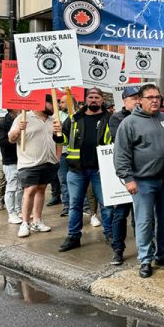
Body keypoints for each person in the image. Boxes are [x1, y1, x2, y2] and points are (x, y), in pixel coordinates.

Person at [114, 84, 164, 278]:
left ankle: (163, 254)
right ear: (141, 100)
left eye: (158, 97)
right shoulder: (129, 123)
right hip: (142, 181)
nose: (155, 100)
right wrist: (127, 178)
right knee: (144, 221)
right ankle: (145, 260)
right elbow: (121, 154)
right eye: (150, 97)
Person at [56, 88, 113, 252]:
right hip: (76, 170)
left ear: (102, 100)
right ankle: (74, 237)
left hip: (100, 170)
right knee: (75, 205)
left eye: (97, 97)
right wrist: (57, 133)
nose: (93, 100)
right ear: (85, 100)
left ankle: (110, 234)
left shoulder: (110, 119)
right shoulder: (74, 119)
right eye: (90, 97)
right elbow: (64, 140)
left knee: (106, 204)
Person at [8, 96, 62, 237]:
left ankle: (37, 221)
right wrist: (18, 130)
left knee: (41, 190)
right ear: (41, 103)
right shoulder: (23, 117)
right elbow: (11, 139)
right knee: (30, 190)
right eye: (51, 103)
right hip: (28, 162)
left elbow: (60, 141)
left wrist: (57, 157)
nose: (54, 107)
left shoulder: (53, 120)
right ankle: (25, 223)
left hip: (49, 162)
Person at [105, 86, 140, 266]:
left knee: (140, 215)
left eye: (138, 97)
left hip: (142, 172)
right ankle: (118, 250)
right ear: (125, 100)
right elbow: (125, 140)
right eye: (133, 98)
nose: (137, 101)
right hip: (125, 172)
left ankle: (143, 249)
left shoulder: (146, 116)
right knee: (120, 214)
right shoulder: (117, 118)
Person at [0, 109, 22, 225]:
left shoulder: (22, 119)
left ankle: (19, 210)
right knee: (11, 187)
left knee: (20, 187)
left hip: (22, 159)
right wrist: (15, 139)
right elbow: (1, 142)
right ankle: (11, 213)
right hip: (10, 160)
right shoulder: (2, 123)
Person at [56, 95, 72, 217]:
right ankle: (67, 206)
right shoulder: (57, 116)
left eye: (62, 102)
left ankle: (85, 206)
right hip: (62, 153)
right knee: (63, 181)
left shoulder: (78, 115)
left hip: (75, 154)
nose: (60, 105)